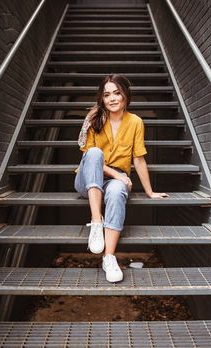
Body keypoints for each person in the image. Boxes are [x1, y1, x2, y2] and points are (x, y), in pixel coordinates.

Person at [74, 74, 168, 283]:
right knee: (95, 153)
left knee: (117, 190)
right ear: (102, 98)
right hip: (87, 178)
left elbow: (139, 159)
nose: (112, 98)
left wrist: (150, 192)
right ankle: (97, 221)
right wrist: (117, 174)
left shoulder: (136, 122)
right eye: (107, 94)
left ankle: (109, 257)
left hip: (115, 181)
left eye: (117, 93)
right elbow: (87, 156)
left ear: (126, 95)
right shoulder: (94, 118)